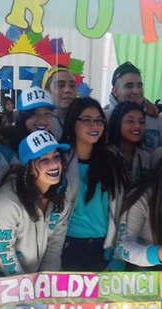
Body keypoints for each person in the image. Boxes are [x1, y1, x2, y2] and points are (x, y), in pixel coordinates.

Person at [0, 130, 72, 278]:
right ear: (29, 167)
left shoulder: (60, 197)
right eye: (44, 160)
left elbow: (55, 244)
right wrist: (27, 289)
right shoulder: (7, 203)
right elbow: (5, 254)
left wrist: (48, 279)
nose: (54, 164)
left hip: (31, 272)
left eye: (56, 156)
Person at [60, 97, 128, 271]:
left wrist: (117, 255)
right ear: (72, 123)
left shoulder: (111, 161)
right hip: (66, 247)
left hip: (102, 248)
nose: (95, 126)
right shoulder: (58, 161)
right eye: (87, 120)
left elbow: (121, 211)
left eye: (99, 121)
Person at [105, 62, 162, 151]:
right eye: (129, 86)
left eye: (139, 86)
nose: (136, 91)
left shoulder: (154, 119)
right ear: (115, 91)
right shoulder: (103, 119)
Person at [108, 101, 152, 186]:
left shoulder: (145, 157)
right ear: (117, 123)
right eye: (130, 121)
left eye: (141, 122)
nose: (137, 126)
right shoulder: (106, 155)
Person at [8, 87, 56, 151]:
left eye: (47, 113)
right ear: (22, 118)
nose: (42, 120)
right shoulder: (7, 149)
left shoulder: (53, 142)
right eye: (34, 114)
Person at [42, 65, 78, 140]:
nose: (68, 90)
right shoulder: (38, 122)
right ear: (47, 90)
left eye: (72, 86)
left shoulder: (84, 120)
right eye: (61, 85)